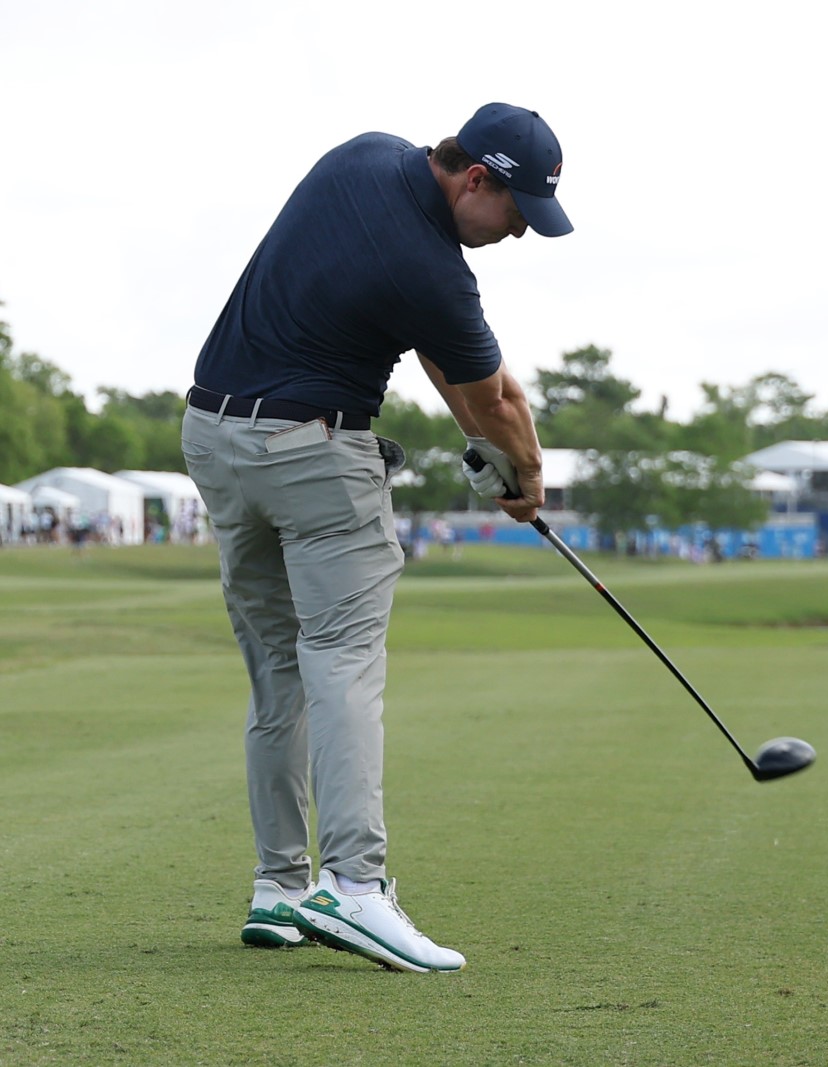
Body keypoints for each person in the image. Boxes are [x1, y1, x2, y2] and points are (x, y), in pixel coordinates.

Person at [182, 103, 570, 973]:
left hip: (213, 434)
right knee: (343, 657)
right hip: (312, 450)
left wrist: (497, 446)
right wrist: (527, 474)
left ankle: (278, 887)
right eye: (515, 215)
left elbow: (454, 366)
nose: (515, 235)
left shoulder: (361, 157)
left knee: (279, 667)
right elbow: (492, 401)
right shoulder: (433, 269)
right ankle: (355, 886)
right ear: (477, 179)